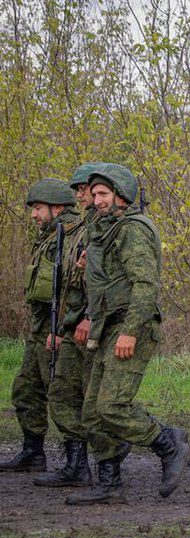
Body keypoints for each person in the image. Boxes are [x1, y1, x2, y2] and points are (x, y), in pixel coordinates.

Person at [67, 163, 190, 505]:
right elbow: (108, 282)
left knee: (112, 405)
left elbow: (144, 285)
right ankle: (109, 483)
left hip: (129, 326)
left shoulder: (132, 229)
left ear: (121, 196)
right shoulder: (102, 230)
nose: (96, 200)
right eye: (93, 194)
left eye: (103, 194)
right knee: (92, 411)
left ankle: (168, 443)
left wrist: (130, 332)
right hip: (105, 327)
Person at [1, 178, 82, 474]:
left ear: (57, 207)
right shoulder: (49, 237)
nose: (33, 215)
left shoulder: (73, 236)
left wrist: (60, 330)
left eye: (37, 208)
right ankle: (33, 453)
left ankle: (82, 459)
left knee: (63, 397)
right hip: (39, 330)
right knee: (25, 390)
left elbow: (73, 291)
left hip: (58, 331)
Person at [38, 164, 106, 487]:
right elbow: (69, 286)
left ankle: (161, 445)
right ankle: (78, 464)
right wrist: (61, 327)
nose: (80, 196)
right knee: (64, 394)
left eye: (85, 190)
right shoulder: (81, 229)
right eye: (79, 190)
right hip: (73, 325)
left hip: (93, 326)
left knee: (99, 403)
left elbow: (107, 283)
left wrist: (89, 317)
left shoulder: (106, 229)